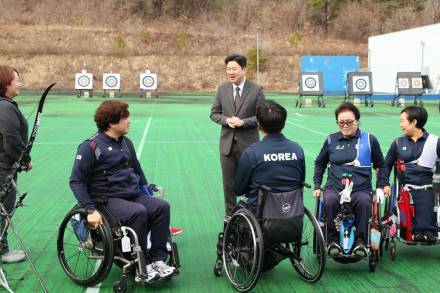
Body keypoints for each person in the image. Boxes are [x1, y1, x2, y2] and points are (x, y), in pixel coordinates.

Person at [69, 100, 176, 281]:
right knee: (138, 212)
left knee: (161, 207)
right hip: (106, 200)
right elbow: (76, 181)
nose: (129, 121)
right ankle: (140, 264)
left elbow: (137, 170)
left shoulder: (126, 142)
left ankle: (157, 259)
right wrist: (90, 210)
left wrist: (148, 195)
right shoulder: (90, 147)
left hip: (132, 195)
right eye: (125, 117)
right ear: (111, 123)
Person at [234, 100, 305, 271]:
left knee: (237, 209)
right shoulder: (297, 149)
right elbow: (300, 180)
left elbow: (239, 189)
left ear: (259, 124)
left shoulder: (252, 152)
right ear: (284, 124)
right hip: (293, 214)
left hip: (262, 216)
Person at [313, 102, 386, 257]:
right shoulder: (331, 140)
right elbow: (320, 162)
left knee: (364, 201)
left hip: (361, 189)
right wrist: (317, 185)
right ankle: (332, 241)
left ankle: (360, 241)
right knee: (330, 199)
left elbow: (381, 165)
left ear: (357, 121)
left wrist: (380, 186)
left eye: (349, 122)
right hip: (334, 187)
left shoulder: (369, 140)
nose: (345, 126)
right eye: (341, 123)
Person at [210, 54, 265, 216]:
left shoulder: (256, 89)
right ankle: (230, 220)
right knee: (229, 186)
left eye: (234, 69)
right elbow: (214, 113)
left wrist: (244, 122)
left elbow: (261, 116)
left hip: (249, 146)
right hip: (227, 146)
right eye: (228, 69)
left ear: (244, 69)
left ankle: (252, 219)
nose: (230, 72)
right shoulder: (222, 88)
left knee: (252, 184)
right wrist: (226, 120)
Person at [383, 105, 440, 242]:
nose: (401, 125)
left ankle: (427, 231)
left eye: (403, 121)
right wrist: (384, 184)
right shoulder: (398, 142)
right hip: (405, 186)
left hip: (428, 185)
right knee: (409, 196)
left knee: (428, 195)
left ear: (414, 122)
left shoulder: (435, 142)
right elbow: (386, 166)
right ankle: (416, 231)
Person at [0, 65, 31, 263]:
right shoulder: (5, 107)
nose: (20, 83)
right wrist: (24, 159)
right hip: (3, 168)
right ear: (6, 84)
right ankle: (2, 250)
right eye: (16, 80)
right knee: (4, 208)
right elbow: (10, 137)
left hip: (4, 165)